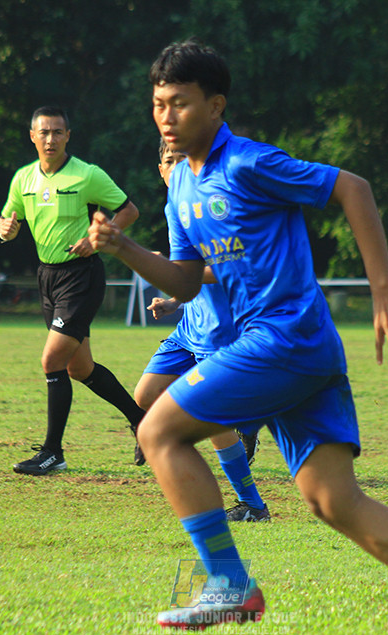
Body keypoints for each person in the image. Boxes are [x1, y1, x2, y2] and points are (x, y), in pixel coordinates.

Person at [89, 40, 388, 635]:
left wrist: (383, 291)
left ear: (215, 105)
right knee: (333, 500)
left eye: (180, 103)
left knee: (157, 431)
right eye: (158, 104)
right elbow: (182, 278)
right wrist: (126, 250)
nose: (166, 117)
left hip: (283, 338)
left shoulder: (250, 163)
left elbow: (353, 189)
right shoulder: (179, 187)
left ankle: (229, 583)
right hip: (291, 351)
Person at [0, 105, 146, 475]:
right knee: (80, 368)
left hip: (81, 276)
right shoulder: (23, 179)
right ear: (32, 136)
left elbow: (129, 211)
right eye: (43, 132)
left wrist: (97, 239)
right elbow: (7, 219)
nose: (50, 139)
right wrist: (6, 229)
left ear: (68, 136)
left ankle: (52, 452)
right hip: (47, 277)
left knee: (52, 361)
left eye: (57, 132)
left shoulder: (87, 175)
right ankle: (143, 422)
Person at [134, 139, 268, 522]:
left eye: (180, 160)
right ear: (159, 169)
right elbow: (189, 275)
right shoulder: (173, 206)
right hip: (189, 326)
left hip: (219, 333)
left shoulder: (213, 204)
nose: (174, 167)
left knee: (210, 418)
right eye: (167, 161)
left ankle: (253, 505)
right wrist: (174, 299)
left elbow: (233, 264)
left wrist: (176, 273)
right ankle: (244, 420)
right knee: (145, 394)